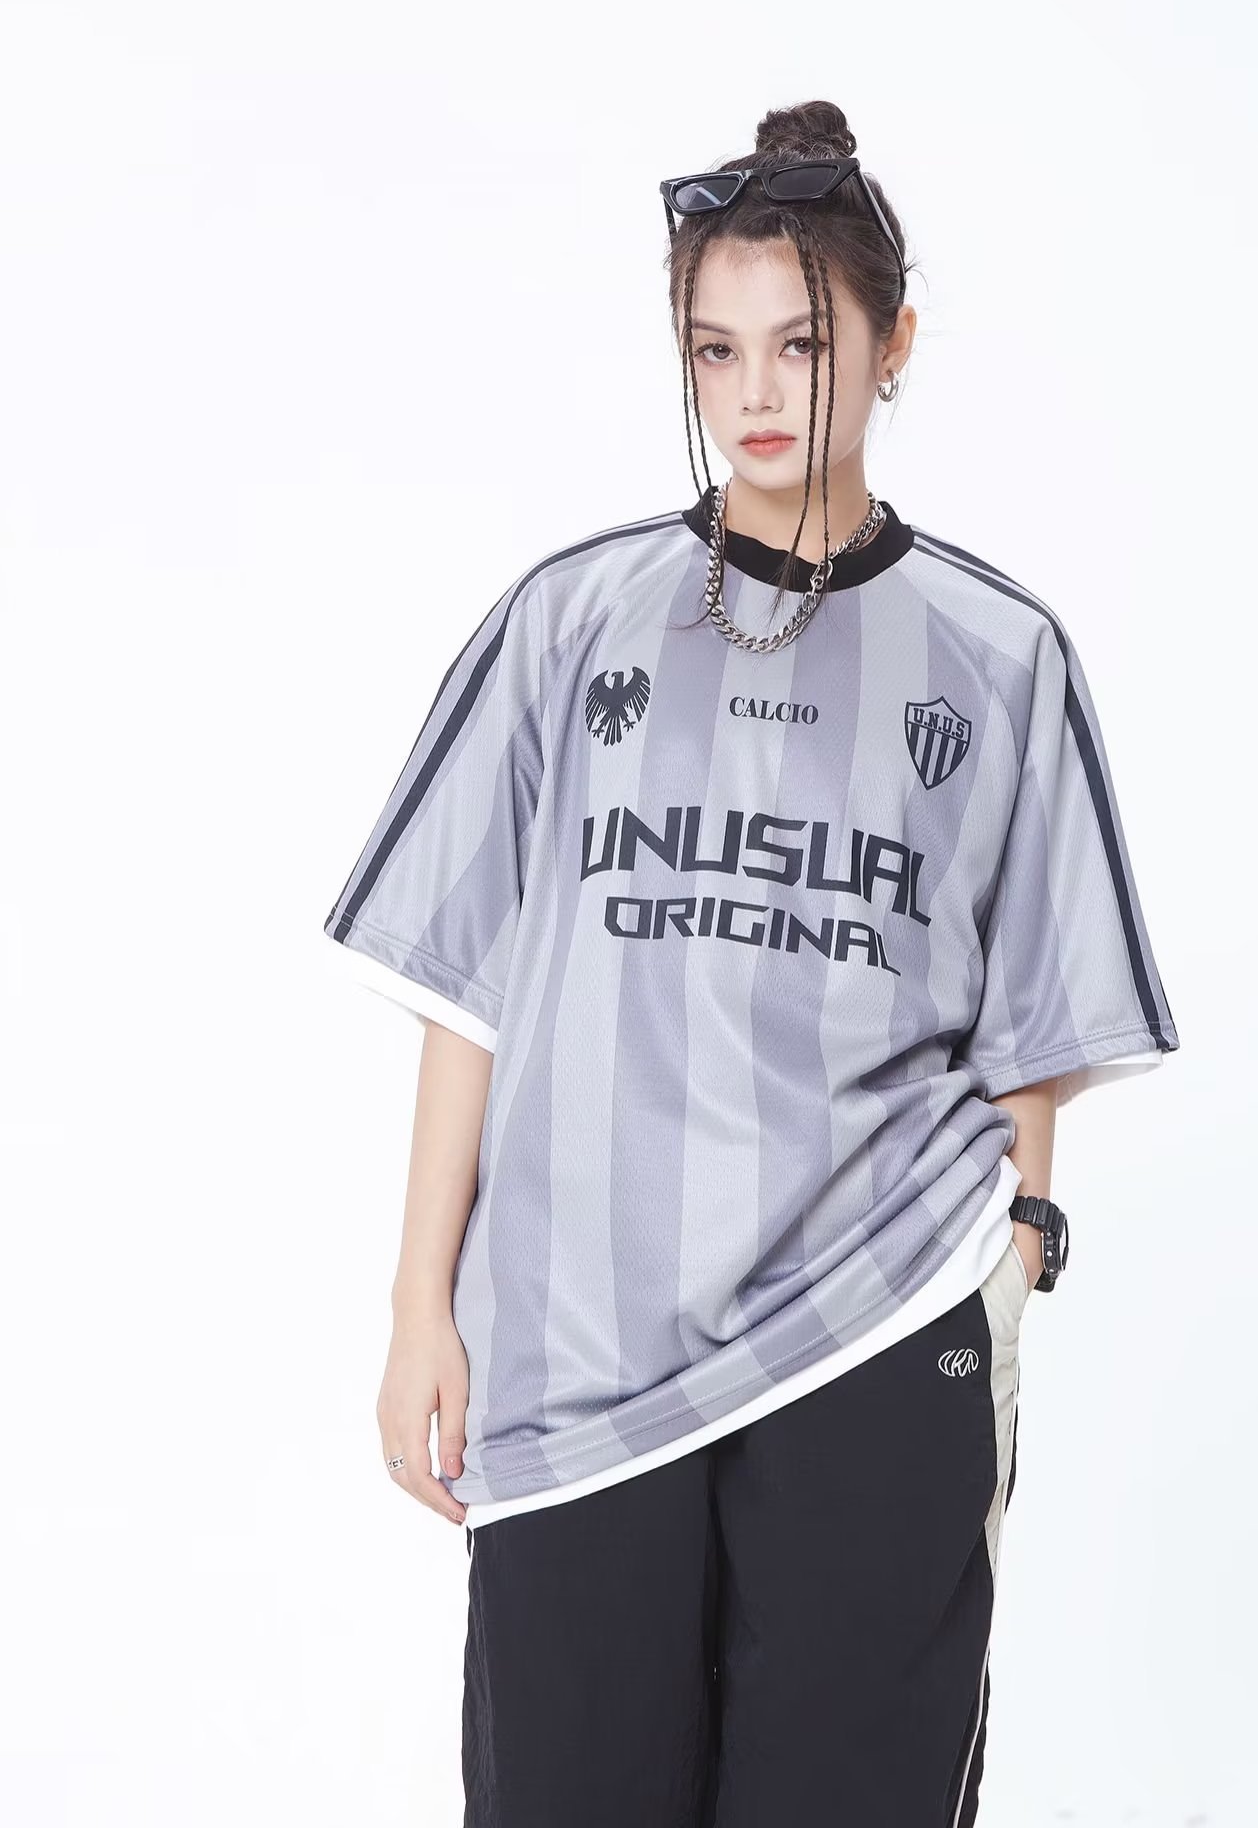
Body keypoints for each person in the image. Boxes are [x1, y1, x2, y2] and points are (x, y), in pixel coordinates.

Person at [321, 98, 1181, 1828]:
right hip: (580, 1342)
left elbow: (1037, 1010)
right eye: (717, 350)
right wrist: (421, 1305)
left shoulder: (998, 655)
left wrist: (1013, 1251)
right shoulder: (570, 620)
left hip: (879, 1324)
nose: (759, 392)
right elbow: (469, 988)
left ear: (894, 343)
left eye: (802, 343)